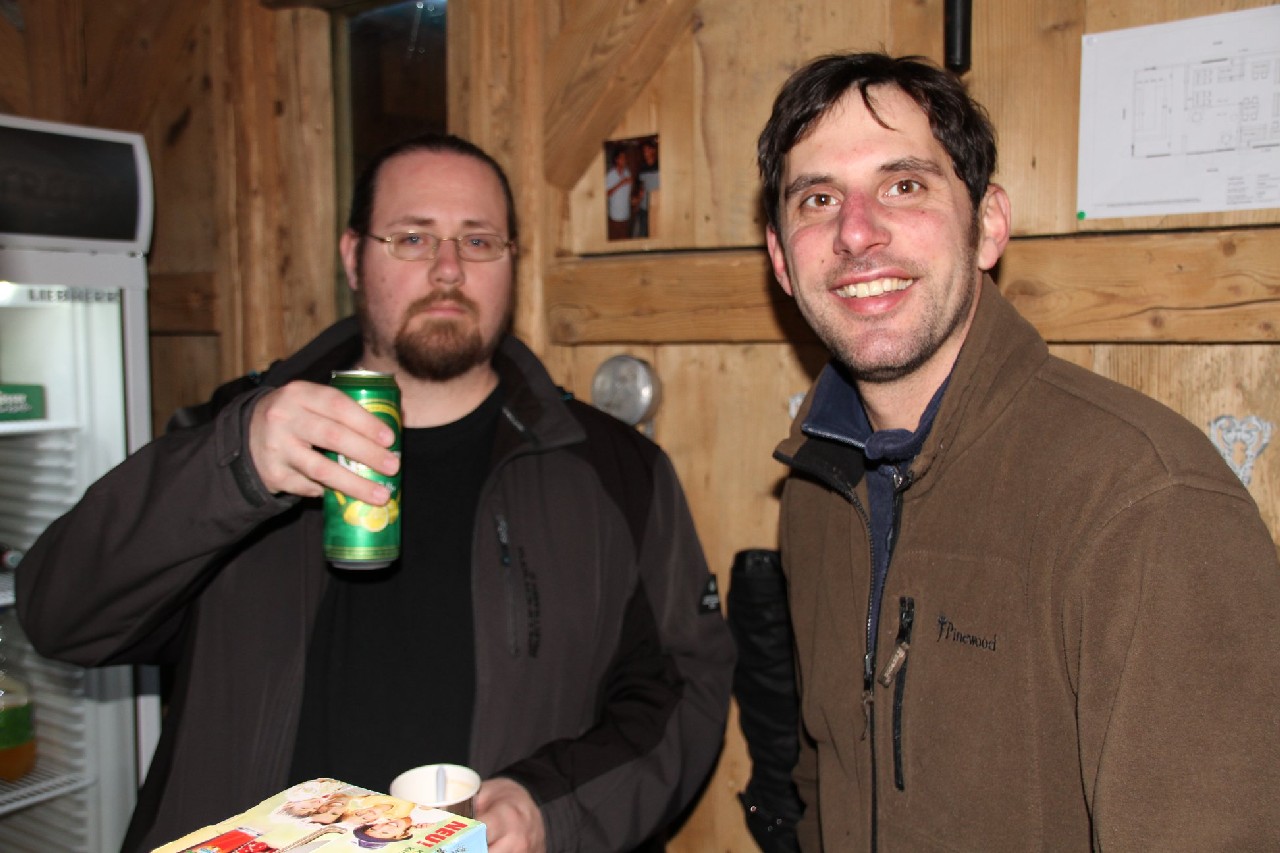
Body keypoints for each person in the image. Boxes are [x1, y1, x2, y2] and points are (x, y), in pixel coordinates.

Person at [16, 132, 734, 853]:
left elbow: (683, 689)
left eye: (478, 240)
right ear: (353, 257)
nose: (448, 268)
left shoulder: (615, 472)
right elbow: (60, 615)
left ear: (511, 261)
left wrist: (552, 807)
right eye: (412, 238)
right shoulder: (236, 440)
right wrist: (234, 467)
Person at [757, 52, 1280, 851]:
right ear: (782, 260)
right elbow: (823, 775)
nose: (855, 231)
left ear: (989, 226)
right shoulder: (816, 489)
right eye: (818, 199)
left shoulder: (1146, 500)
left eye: (905, 185)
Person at [630, 140, 660, 239]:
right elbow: (641, 187)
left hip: (657, 207)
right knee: (643, 234)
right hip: (644, 208)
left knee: (656, 233)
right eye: (644, 151)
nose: (645, 153)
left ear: (653, 150)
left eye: (647, 150)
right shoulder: (642, 168)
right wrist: (637, 200)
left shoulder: (660, 166)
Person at [605, 146, 634, 240]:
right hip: (615, 216)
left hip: (626, 215)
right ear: (616, 160)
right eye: (622, 158)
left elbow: (628, 193)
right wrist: (620, 183)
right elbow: (606, 194)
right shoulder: (610, 175)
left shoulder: (627, 172)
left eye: (625, 158)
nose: (624, 160)